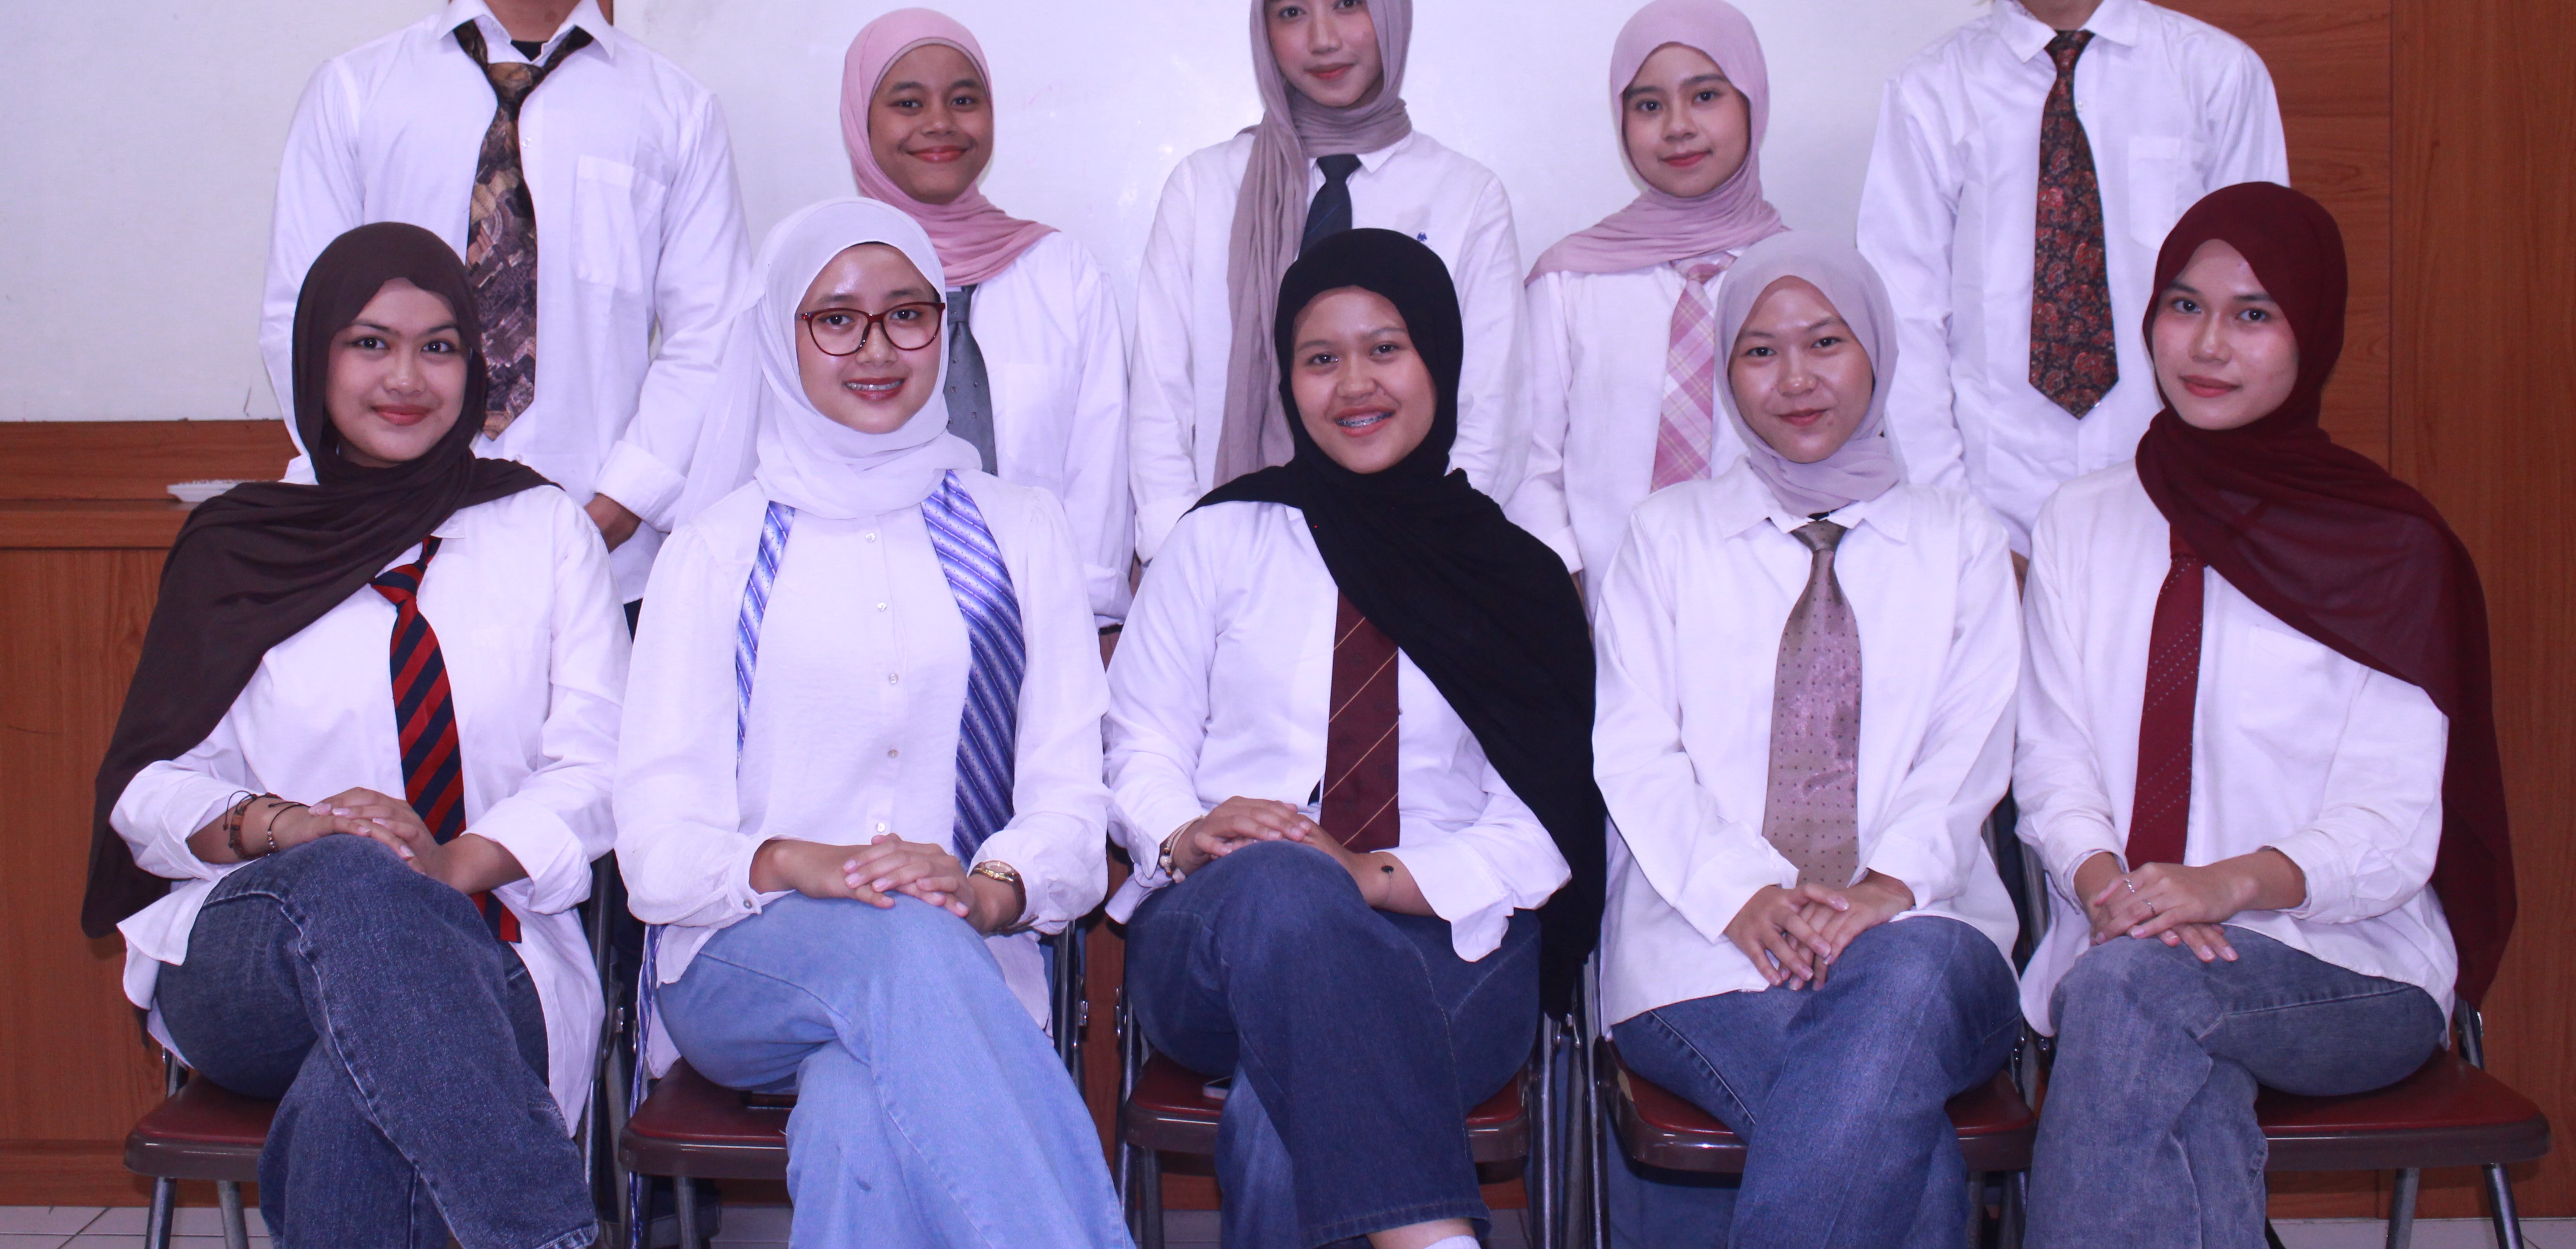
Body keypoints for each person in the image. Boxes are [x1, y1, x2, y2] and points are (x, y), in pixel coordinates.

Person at [87, 222, 626, 1249]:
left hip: (493, 939)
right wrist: (293, 828)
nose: (406, 378)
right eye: (370, 342)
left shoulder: (543, 530)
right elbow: (147, 790)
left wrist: (451, 864)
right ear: (315, 357)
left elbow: (599, 766)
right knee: (351, 877)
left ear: (475, 367)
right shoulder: (238, 541)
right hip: (251, 961)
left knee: (358, 1084)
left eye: (438, 346)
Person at [615, 199, 1125, 1249]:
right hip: (741, 958)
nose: (879, 348)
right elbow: (655, 850)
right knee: (903, 936)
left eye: (908, 313)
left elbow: (1071, 802)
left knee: (856, 1110)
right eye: (836, 320)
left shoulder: (1023, 532)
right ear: (782, 335)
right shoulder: (715, 549)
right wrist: (799, 862)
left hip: (969, 960)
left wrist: (990, 889)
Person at [2015, 182, 2514, 1247]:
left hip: (2346, 967)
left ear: (2310, 332)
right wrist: (2107, 888)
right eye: (2183, 305)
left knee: (2135, 996)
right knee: (2157, 1036)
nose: (2207, 345)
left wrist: (2223, 885)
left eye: (2252, 314)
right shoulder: (2078, 522)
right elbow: (2053, 761)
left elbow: (2391, 830)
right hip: (2117, 952)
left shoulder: (2388, 546)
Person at [1107, 228, 1603, 1249]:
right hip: (1217, 935)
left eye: (1385, 348)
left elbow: (1544, 820)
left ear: (1439, 360)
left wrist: (1369, 876)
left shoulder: (1515, 576)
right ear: (1287, 381)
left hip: (1448, 938)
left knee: (1280, 1111)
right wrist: (1188, 832)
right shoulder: (1218, 538)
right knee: (1282, 878)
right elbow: (1137, 741)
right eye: (1319, 358)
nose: (1353, 385)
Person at [1591, 232, 2022, 1247]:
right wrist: (1743, 892)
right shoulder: (1664, 537)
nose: (1794, 379)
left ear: (1875, 350)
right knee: (1890, 1131)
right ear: (1725, 371)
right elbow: (1637, 751)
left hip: (1926, 934)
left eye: (1824, 341)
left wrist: (1882, 890)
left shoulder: (1960, 537)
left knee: (1898, 982)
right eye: (1759, 350)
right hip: (1705, 946)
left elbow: (1967, 751)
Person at [262, 0, 753, 604]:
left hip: (606, 567)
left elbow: (712, 334)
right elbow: (299, 317)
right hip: (381, 553)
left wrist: (615, 508)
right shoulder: (357, 95)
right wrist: (374, 494)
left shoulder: (675, 113)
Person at [1858, 0, 2288, 555]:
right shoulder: (1929, 96)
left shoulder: (2215, 76)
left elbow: (2263, 308)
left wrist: (2223, 495)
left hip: (2181, 503)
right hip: (1990, 515)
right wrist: (1961, 536)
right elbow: (1904, 321)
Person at [1128, 0, 1527, 564]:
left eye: (1348, 2)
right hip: (1226, 552)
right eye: (1291, 12)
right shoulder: (1204, 188)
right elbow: (1159, 397)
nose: (1322, 38)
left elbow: (1492, 407)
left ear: (1391, 10)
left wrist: (1432, 549)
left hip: (1417, 556)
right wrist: (1179, 551)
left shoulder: (1465, 195)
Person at [839, 8, 1132, 628]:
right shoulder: (822, 283)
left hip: (1043, 624)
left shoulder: (1062, 273)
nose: (940, 123)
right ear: (860, 121)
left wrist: (1080, 626)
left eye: (964, 100)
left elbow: (1099, 470)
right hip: (862, 628)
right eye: (908, 103)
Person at [1511, 0, 1791, 606]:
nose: (1677, 126)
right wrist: (1564, 592)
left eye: (1706, 95)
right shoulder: (1567, 282)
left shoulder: (1802, 282)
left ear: (1752, 101)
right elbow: (1529, 462)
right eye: (1648, 105)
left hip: (1771, 612)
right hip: (1600, 611)